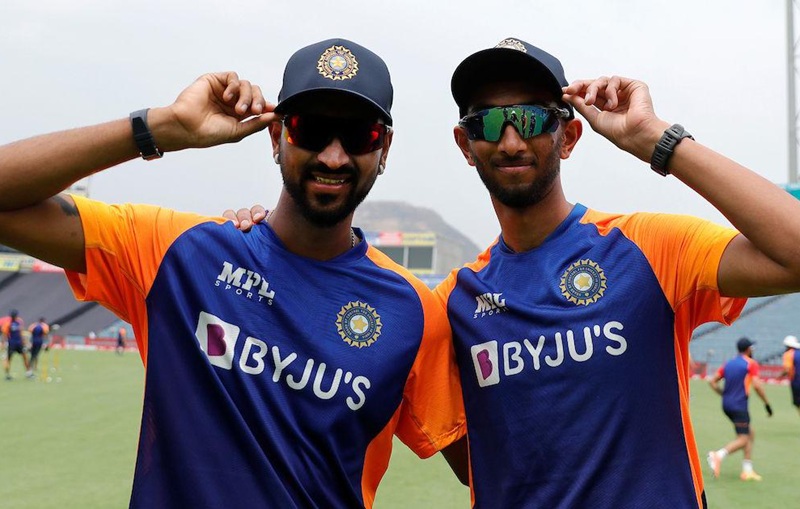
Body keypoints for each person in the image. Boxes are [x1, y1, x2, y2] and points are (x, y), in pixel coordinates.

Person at [228, 37, 800, 507]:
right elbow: (474, 462)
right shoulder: (449, 305)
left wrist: (657, 140)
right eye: (487, 122)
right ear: (465, 143)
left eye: (529, 118)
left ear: (567, 135)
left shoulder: (649, 248)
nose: (508, 139)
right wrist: (260, 243)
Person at [0, 38, 465, 507]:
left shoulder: (414, 312)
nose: (333, 156)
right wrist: (161, 127)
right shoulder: (180, 254)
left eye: (360, 135)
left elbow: (489, 466)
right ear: (276, 135)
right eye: (311, 129)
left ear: (384, 148)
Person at [707, 337, 772, 481]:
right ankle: (718, 455)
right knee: (744, 438)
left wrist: (722, 394)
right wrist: (767, 403)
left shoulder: (729, 363)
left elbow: (712, 381)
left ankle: (747, 470)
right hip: (739, 405)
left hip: (727, 405)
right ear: (748, 349)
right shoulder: (751, 363)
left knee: (750, 432)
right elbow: (757, 386)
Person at [3, 309, 32, 380]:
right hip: (12, 343)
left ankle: (29, 373)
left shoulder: (19, 322)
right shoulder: (8, 323)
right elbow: (5, 334)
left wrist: (24, 342)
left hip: (19, 343)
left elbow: (21, 332)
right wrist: (4, 343)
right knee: (9, 359)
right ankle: (7, 375)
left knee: (24, 357)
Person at [781, 334, 800, 416]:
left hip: (797, 382)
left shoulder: (788, 354)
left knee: (798, 403)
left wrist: (779, 376)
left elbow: (787, 369)